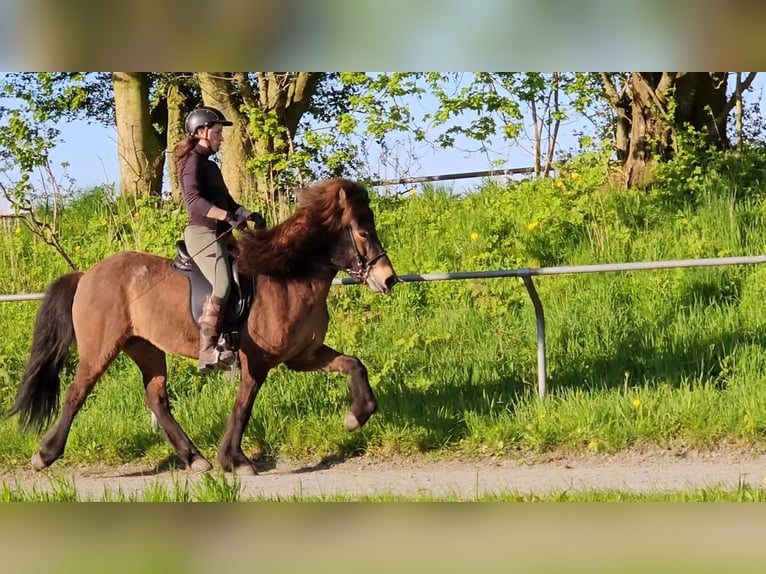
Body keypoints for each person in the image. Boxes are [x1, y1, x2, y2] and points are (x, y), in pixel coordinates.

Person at [173, 106, 266, 372]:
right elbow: (194, 202)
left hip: (221, 234)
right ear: (201, 132)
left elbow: (229, 203)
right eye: (217, 133)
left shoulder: (212, 166)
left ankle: (233, 339)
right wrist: (227, 216)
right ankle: (207, 350)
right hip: (202, 233)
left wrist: (248, 215)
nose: (221, 138)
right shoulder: (191, 162)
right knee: (223, 283)